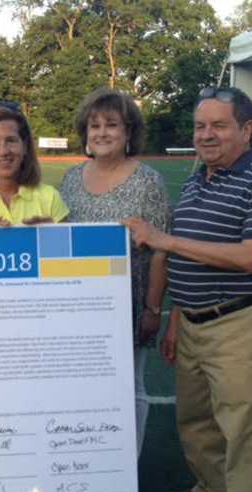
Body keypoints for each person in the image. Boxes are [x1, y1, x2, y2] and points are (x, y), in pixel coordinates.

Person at [124, 86, 252, 492]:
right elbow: (188, 261)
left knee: (244, 434)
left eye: (219, 125)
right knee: (196, 423)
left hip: (238, 326)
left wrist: (165, 240)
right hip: (195, 324)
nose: (207, 135)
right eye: (201, 126)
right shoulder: (203, 177)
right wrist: (178, 317)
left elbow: (249, 257)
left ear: (246, 129)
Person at [59, 88, 169, 458]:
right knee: (86, 387)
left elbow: (159, 253)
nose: (102, 133)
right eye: (94, 126)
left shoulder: (147, 180)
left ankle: (126, 468)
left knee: (130, 387)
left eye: (111, 125)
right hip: (79, 308)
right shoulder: (71, 179)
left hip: (129, 306)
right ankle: (90, 460)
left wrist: (152, 310)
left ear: (128, 132)